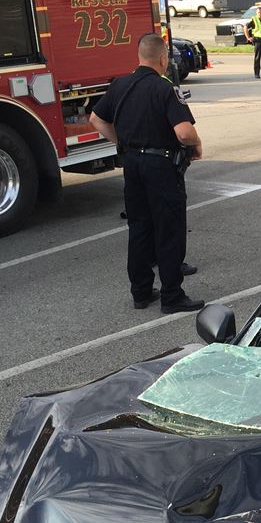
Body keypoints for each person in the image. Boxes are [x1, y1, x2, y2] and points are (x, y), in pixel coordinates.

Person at [90, 33, 206, 314]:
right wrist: (197, 144)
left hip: (132, 165)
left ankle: (141, 292)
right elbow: (184, 132)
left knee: (139, 228)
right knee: (168, 230)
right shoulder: (164, 88)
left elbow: (96, 119)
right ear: (164, 59)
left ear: (140, 56)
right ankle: (172, 296)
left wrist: (122, 142)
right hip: (161, 167)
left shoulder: (121, 84)